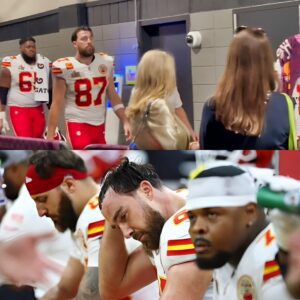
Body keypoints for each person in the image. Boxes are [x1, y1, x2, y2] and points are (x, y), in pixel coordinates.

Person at [25, 150, 157, 300]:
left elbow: (93, 295)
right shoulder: (87, 215)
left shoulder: (98, 214)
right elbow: (65, 288)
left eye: (43, 199)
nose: (40, 212)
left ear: (69, 185)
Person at [99, 157, 212, 299]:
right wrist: (111, 209)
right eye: (117, 226)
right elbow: (112, 290)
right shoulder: (164, 225)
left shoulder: (183, 232)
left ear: (146, 190)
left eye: (123, 216)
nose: (126, 233)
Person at [187, 162, 293, 299]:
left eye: (211, 214)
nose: (197, 228)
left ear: (250, 212)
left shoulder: (278, 265)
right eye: (192, 217)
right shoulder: (225, 252)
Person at [200, 27, 293, 150]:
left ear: (232, 62)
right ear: (266, 62)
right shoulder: (284, 104)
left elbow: (206, 154)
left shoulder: (212, 107)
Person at [0, 150, 72, 299]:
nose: (2, 181)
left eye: (5, 171)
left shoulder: (26, 204)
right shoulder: (50, 193)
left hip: (47, 293)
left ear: (15, 169)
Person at [47, 26, 131, 149]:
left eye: (91, 38)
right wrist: (50, 133)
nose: (89, 41)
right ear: (75, 44)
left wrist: (125, 120)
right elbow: (56, 103)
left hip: (99, 124)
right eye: (84, 39)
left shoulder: (105, 61)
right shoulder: (65, 67)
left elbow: (113, 95)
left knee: (101, 162)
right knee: (85, 161)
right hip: (77, 122)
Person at [126, 49, 199, 150]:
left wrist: (190, 133)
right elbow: (171, 145)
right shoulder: (158, 106)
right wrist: (192, 147)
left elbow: (178, 109)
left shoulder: (138, 96)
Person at [0, 37, 51, 137]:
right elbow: (2, 89)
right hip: (19, 108)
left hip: (38, 108)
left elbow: (49, 88)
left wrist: (52, 115)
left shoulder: (43, 61)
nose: (31, 49)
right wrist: (1, 113)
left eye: (33, 47)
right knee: (25, 140)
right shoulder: (11, 62)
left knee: (38, 140)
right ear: (21, 48)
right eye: (28, 47)